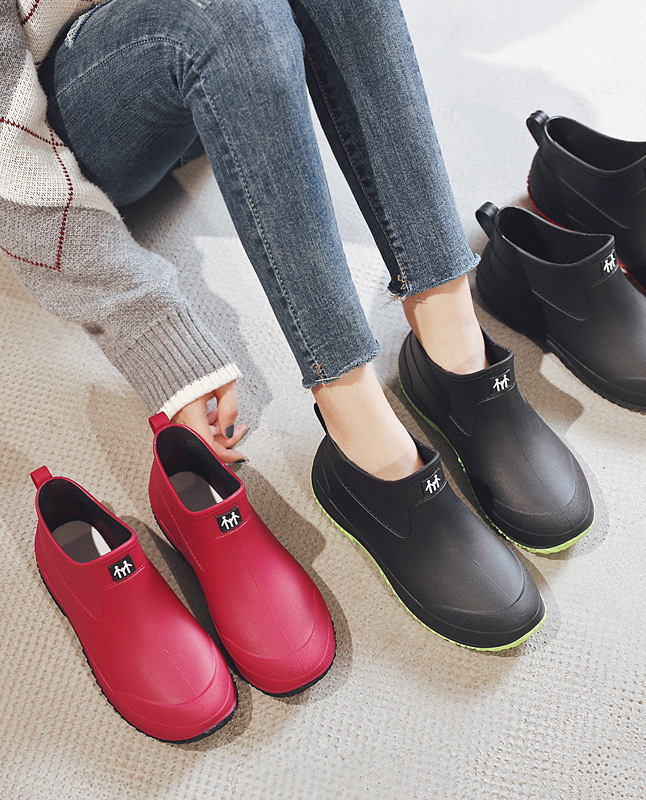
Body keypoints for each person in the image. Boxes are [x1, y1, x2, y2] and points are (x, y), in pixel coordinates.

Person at [3, 0, 592, 649]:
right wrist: (153, 328)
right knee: (232, 17)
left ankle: (455, 351)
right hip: (63, 114)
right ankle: (360, 432)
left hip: (208, 61)